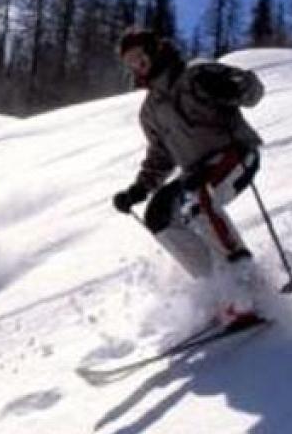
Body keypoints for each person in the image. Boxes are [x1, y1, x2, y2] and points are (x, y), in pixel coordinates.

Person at [111, 29, 266, 321]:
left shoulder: (195, 74)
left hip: (235, 154)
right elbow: (160, 156)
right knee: (159, 217)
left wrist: (234, 87)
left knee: (199, 200)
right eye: (129, 62)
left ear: (155, 50)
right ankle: (217, 288)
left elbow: (253, 92)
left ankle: (245, 282)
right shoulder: (150, 111)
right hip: (196, 172)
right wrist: (138, 190)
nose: (136, 65)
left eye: (139, 56)